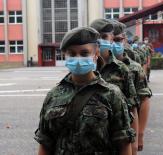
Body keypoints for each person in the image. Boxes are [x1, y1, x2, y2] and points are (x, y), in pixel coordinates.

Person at [34, 27, 135, 155]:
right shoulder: (53, 95)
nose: (78, 58)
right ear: (65, 55)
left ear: (96, 54)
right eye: (72, 53)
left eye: (84, 53)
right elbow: (45, 142)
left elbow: (124, 143)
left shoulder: (111, 94)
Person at [90, 19, 139, 155]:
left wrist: (135, 141)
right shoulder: (85, 68)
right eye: (99, 37)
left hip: (115, 139)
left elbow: (133, 107)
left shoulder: (122, 69)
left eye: (106, 37)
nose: (102, 41)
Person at [111, 20, 152, 152]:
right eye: (109, 39)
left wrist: (139, 135)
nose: (113, 43)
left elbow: (141, 101)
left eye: (118, 39)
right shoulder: (93, 67)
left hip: (126, 132)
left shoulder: (132, 65)